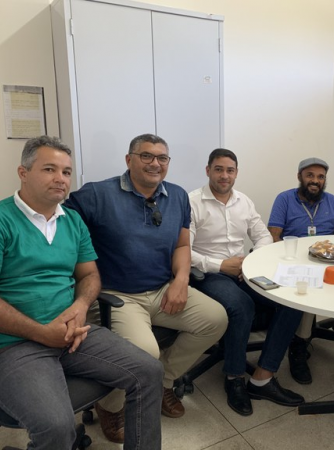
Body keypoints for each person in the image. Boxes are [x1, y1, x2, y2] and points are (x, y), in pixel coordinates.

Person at [0, 136, 163, 449]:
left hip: (73, 333)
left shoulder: (72, 221)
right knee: (56, 426)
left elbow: (90, 275)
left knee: (149, 371)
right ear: (23, 172)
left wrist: (81, 306)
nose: (60, 178)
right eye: (49, 169)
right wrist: (42, 333)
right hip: (12, 346)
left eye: (67, 172)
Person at [65, 134, 227, 441]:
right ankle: (110, 406)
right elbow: (59, 226)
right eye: (146, 156)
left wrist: (181, 280)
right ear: (129, 160)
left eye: (162, 158)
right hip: (118, 296)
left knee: (216, 319)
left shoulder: (177, 195)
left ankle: (162, 382)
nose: (155, 163)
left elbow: (182, 244)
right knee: (146, 352)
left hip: (163, 288)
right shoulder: (97, 194)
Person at [189, 148, 305, 416]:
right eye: (219, 169)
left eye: (230, 170)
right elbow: (184, 250)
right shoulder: (192, 202)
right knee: (242, 306)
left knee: (291, 300)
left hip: (243, 271)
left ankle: (262, 377)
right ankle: (234, 378)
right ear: (208, 171)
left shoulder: (244, 202)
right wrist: (221, 265)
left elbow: (263, 236)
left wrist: (249, 261)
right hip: (208, 274)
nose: (224, 175)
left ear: (236, 173)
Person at [268, 157, 334, 384]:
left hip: (328, 264)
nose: (315, 181)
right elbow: (273, 236)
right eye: (310, 175)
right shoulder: (284, 199)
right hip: (295, 263)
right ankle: (299, 346)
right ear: (299, 177)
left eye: (320, 177)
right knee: (305, 292)